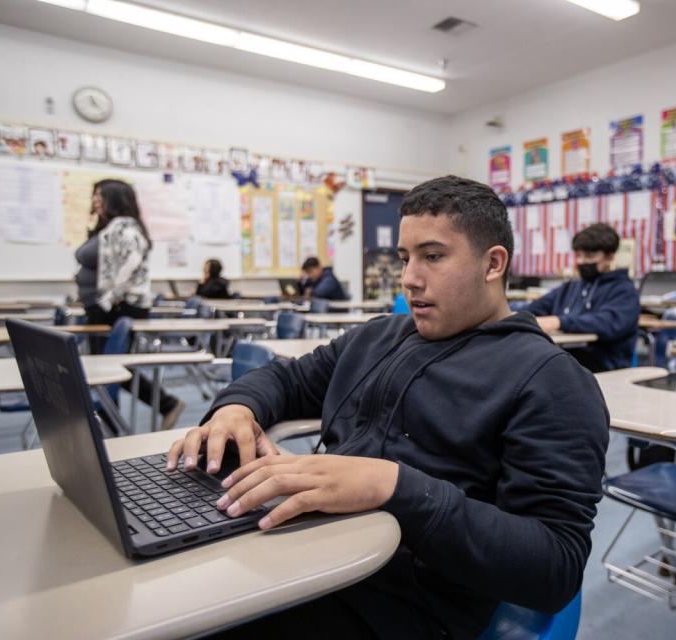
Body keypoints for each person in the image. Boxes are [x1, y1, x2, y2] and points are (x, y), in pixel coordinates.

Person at [166, 175, 609, 640]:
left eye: (433, 256)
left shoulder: (552, 381)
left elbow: (555, 567)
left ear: (492, 263)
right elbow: (287, 379)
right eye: (405, 258)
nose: (410, 278)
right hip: (303, 556)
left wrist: (394, 487)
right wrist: (236, 408)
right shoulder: (378, 336)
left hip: (395, 605)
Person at [74, 179, 185, 429]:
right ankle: (110, 421)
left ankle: (165, 403)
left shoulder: (126, 229)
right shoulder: (109, 227)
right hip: (106, 307)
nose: (95, 200)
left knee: (111, 367)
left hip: (117, 308)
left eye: (100, 195)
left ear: (114, 198)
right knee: (107, 368)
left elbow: (127, 269)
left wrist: (107, 300)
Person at [522, 223, 639, 372]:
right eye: (578, 255)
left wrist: (559, 322)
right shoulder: (571, 287)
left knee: (541, 367)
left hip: (604, 363)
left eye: (590, 256)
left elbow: (607, 322)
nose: (581, 262)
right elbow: (536, 307)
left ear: (609, 256)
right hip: (567, 355)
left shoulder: (624, 290)